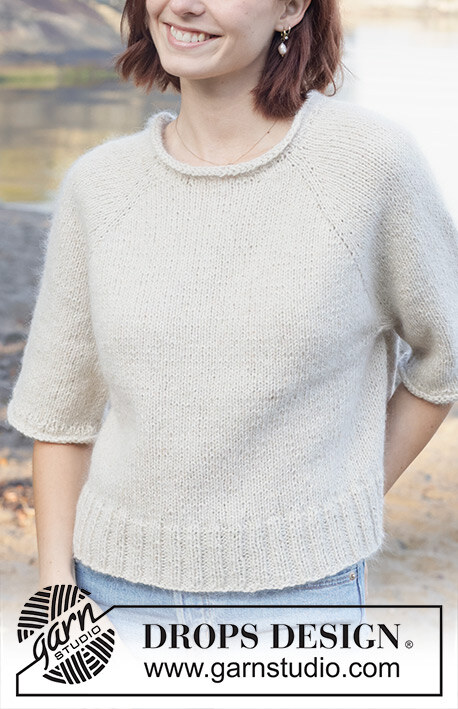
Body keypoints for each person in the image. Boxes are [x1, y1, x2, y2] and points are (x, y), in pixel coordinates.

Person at [5, 0, 458, 655]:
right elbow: (60, 418)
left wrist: (347, 492)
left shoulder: (369, 164)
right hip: (109, 597)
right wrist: (57, 592)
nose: (185, 5)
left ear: (291, 7)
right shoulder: (98, 188)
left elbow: (445, 356)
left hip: (302, 604)